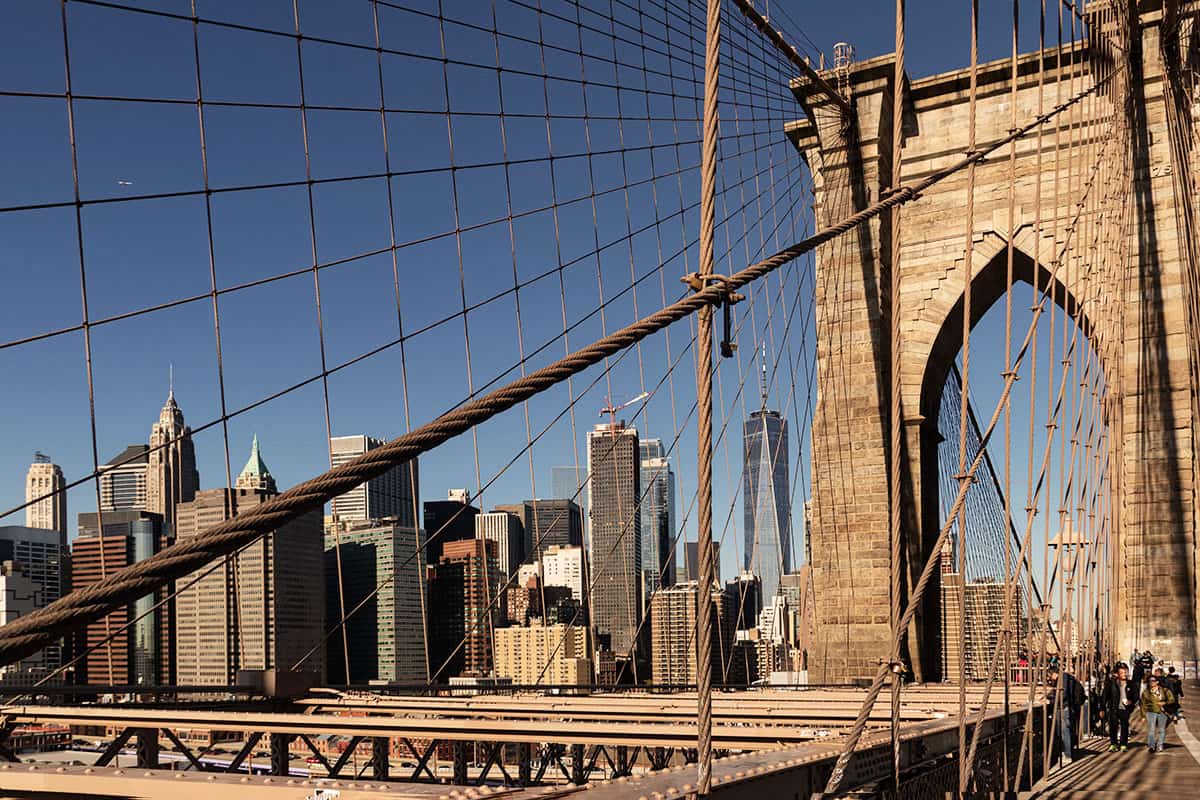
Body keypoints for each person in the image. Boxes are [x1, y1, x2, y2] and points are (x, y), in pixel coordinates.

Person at [1047, 666, 1085, 762]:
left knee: (1065, 732)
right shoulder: (1065, 678)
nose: (1050, 678)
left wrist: (1050, 701)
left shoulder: (1063, 679)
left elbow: (1063, 695)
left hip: (1065, 707)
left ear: (1054, 673)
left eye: (1050, 675)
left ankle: (1068, 754)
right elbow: (1057, 692)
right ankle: (1067, 752)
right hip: (1066, 707)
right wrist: (1048, 696)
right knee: (1064, 731)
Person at [1139, 674, 1176, 753]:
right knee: (1151, 730)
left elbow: (1172, 699)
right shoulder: (1146, 692)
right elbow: (1143, 704)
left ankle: (1160, 745)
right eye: (1149, 681)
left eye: (1153, 681)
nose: (1151, 682)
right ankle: (1151, 746)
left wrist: (1164, 703)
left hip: (1162, 712)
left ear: (1157, 682)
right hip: (1150, 712)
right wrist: (1143, 715)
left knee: (1161, 730)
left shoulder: (1165, 690)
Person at [1103, 663, 1135, 751]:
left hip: (1125, 708)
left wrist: (1130, 702)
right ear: (1117, 674)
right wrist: (1102, 708)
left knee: (1124, 726)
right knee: (1113, 726)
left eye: (1125, 672)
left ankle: (1123, 744)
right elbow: (1105, 696)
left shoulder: (1130, 684)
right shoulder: (1112, 683)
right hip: (1114, 708)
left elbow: (1135, 696)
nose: (1124, 674)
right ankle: (1113, 743)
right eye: (1122, 673)